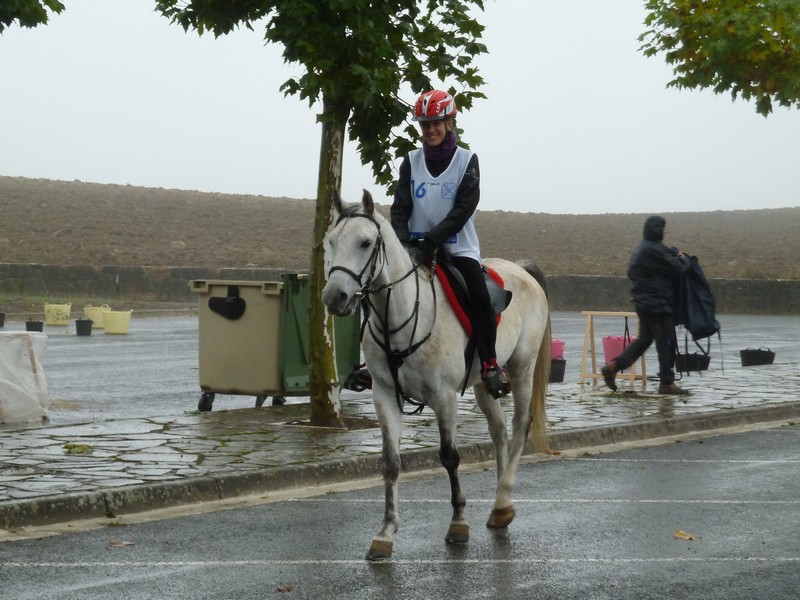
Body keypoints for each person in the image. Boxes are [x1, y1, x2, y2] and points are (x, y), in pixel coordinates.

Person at [390, 89, 511, 399]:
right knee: (381, 291)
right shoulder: (411, 161)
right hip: (415, 249)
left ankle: (489, 363)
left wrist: (433, 240)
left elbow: (463, 209)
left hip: (457, 249)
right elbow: (400, 207)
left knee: (480, 298)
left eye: (436, 123)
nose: (430, 130)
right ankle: (371, 362)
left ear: (449, 122)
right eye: (425, 124)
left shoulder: (467, 160)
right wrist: (403, 242)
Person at [601, 215, 691, 395]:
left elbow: (631, 272)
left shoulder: (641, 249)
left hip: (643, 303)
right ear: (658, 230)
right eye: (663, 227)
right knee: (666, 341)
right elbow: (678, 268)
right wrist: (684, 258)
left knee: (645, 339)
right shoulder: (656, 250)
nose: (666, 231)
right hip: (658, 303)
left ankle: (614, 366)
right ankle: (667, 382)